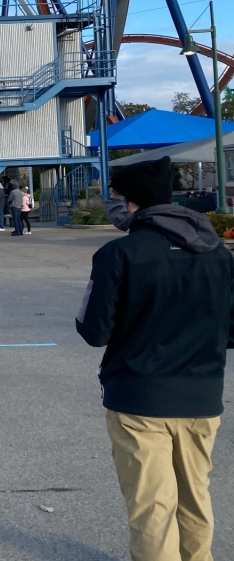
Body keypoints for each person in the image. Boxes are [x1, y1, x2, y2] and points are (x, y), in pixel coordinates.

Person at [77, 156, 234, 561]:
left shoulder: (119, 254)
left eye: (115, 197)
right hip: (202, 395)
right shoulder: (218, 254)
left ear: (133, 203)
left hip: (139, 396)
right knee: (194, 495)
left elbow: (94, 331)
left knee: (152, 506)